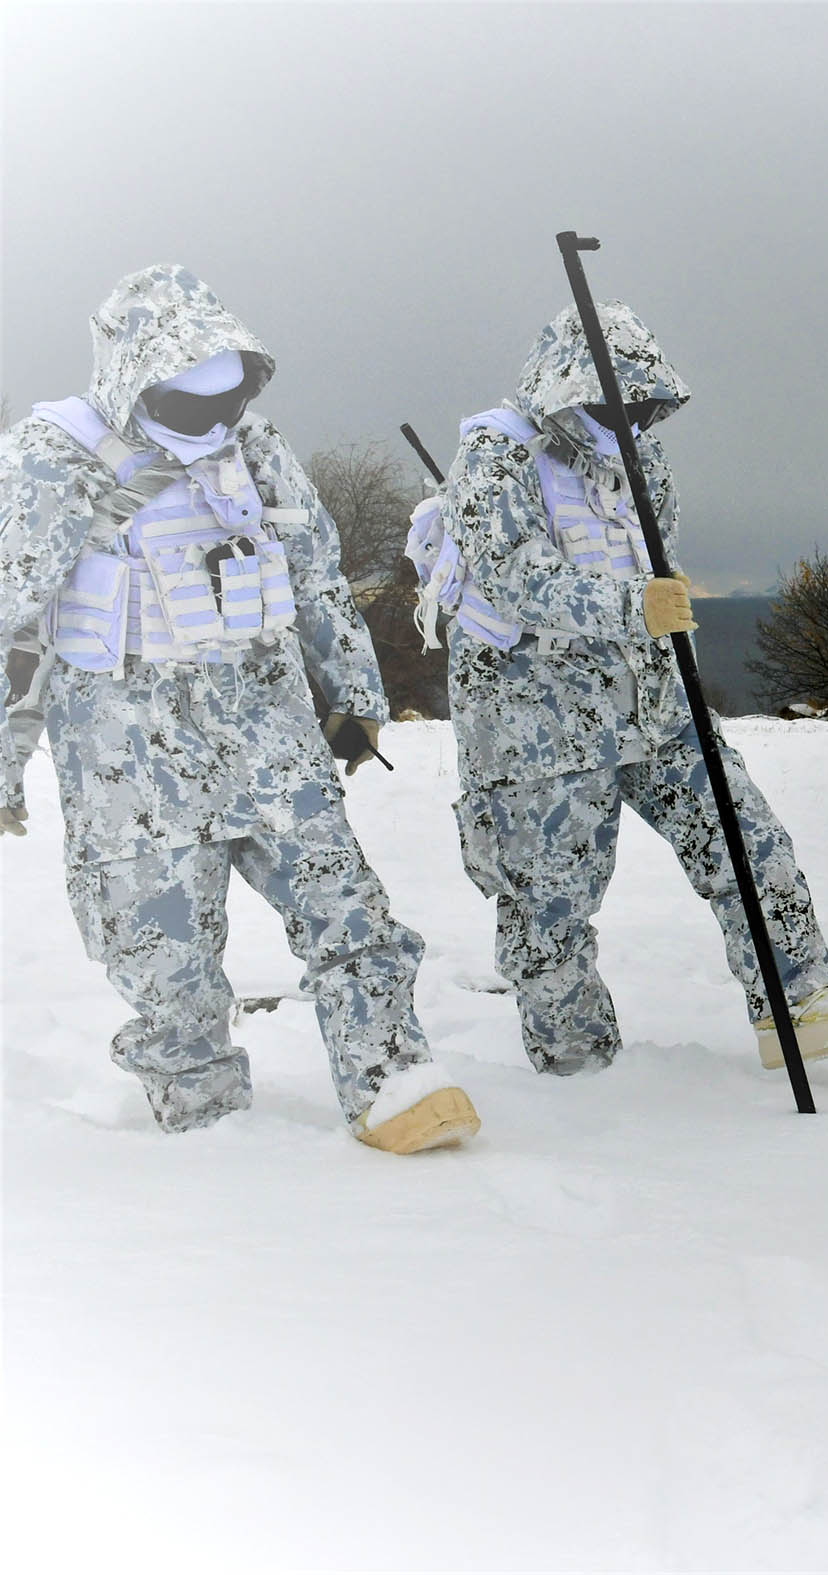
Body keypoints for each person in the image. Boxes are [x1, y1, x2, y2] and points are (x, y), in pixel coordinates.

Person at [0, 264, 473, 1151]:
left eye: (228, 394)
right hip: (127, 762)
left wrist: (354, 696)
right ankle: (207, 1138)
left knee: (350, 913)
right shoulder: (48, 457)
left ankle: (394, 1081)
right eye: (187, 399)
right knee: (167, 972)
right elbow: (11, 621)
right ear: (134, 376)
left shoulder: (253, 447)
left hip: (267, 733)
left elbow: (314, 570)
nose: (213, 420)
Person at [424, 300, 828, 1074]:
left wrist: (656, 615)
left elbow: (653, 565)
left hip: (656, 707)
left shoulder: (641, 459)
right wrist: (630, 605)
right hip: (541, 724)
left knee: (749, 842)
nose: (627, 416)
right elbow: (514, 578)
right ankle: (576, 1066)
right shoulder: (495, 459)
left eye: (639, 402)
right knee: (552, 905)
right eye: (612, 400)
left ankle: (798, 1001)